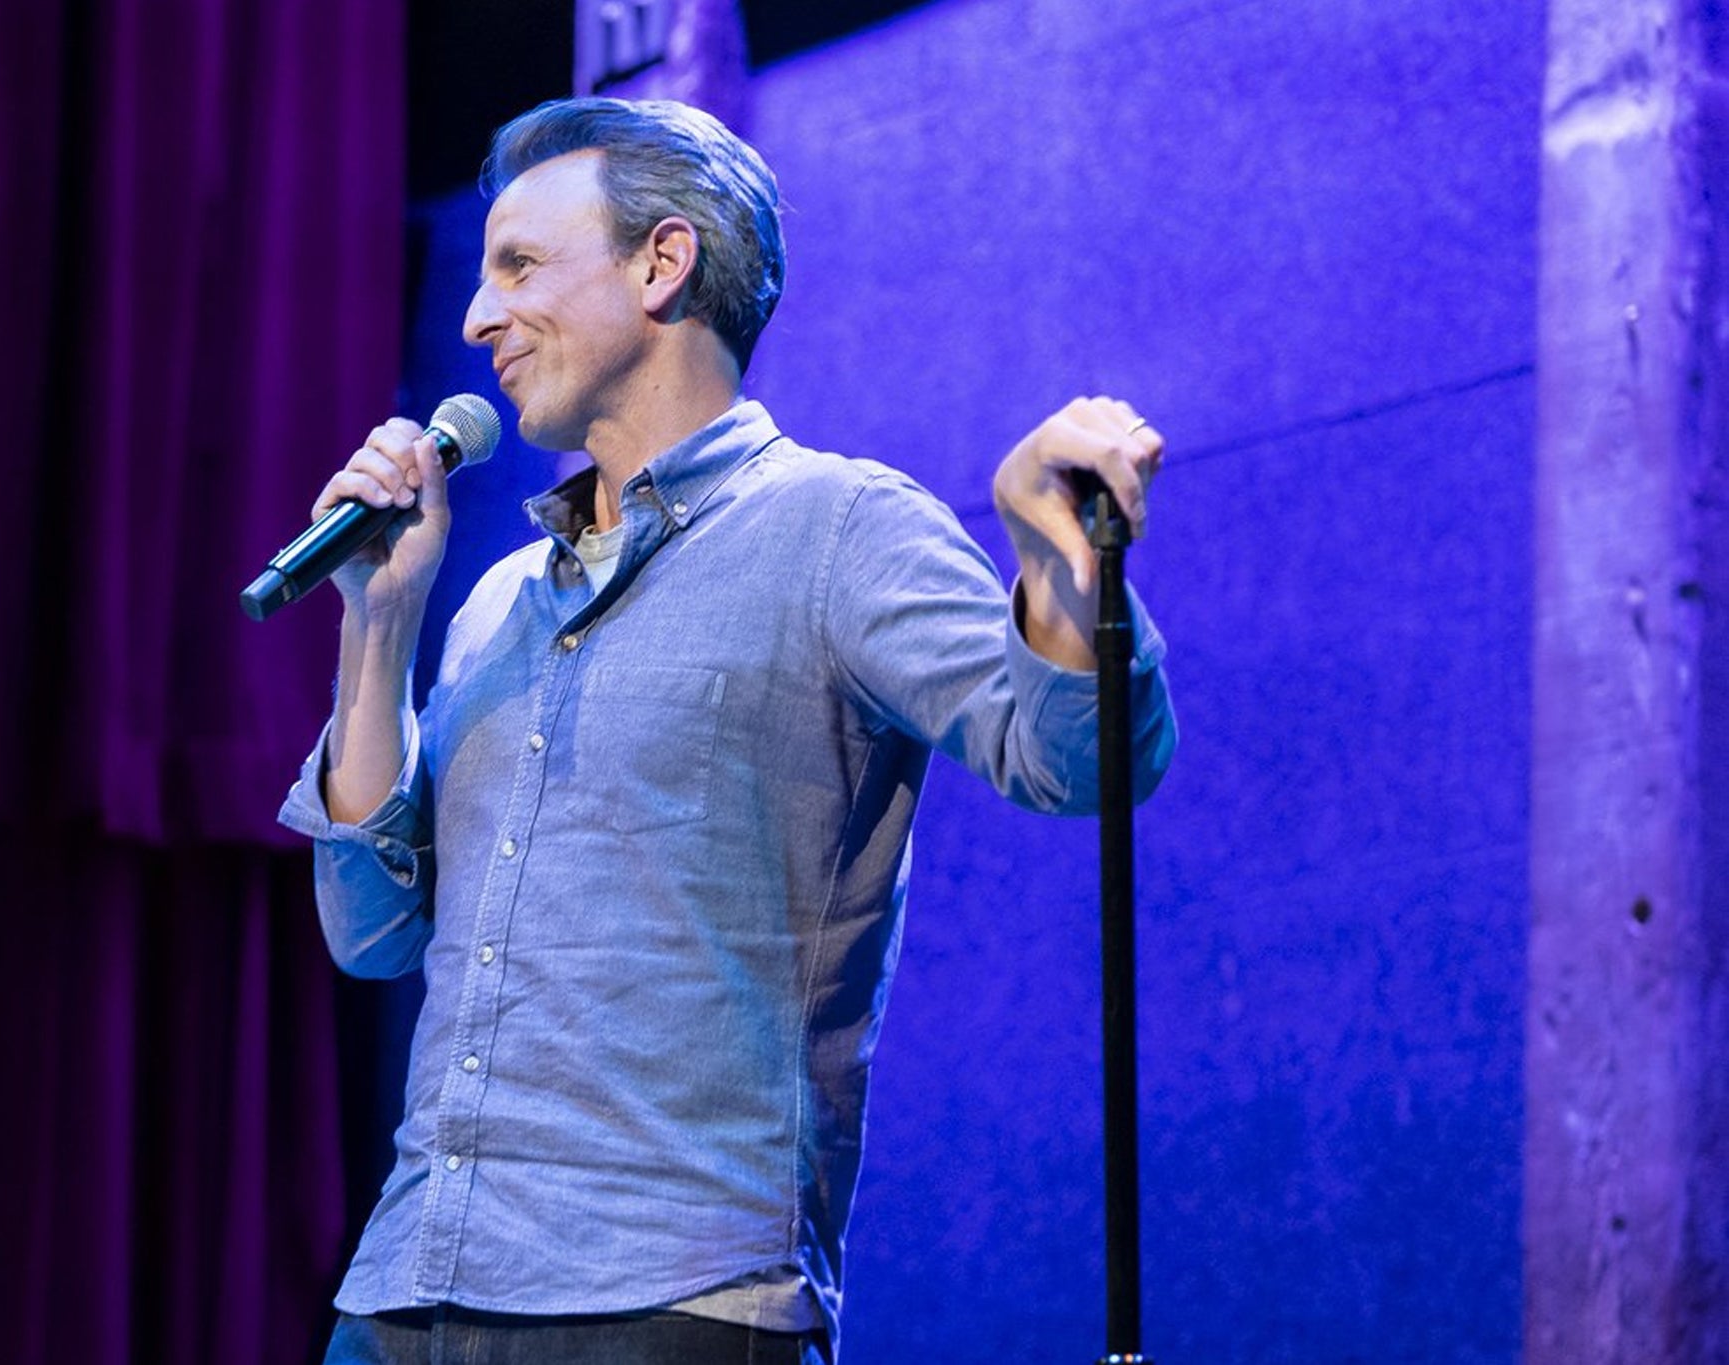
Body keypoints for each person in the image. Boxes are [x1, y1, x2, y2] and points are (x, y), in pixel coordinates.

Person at [279, 97, 1175, 1364]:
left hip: (669, 1304)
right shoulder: (494, 604)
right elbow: (369, 935)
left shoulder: (836, 528)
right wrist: (378, 624)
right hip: (402, 1298)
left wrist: (1060, 570)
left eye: (518, 266)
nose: (475, 317)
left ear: (662, 263)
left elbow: (1079, 764)